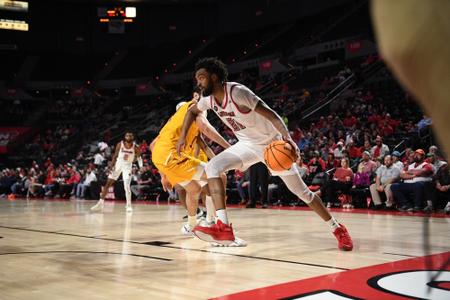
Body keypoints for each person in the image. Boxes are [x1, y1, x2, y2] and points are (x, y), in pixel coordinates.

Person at [177, 57, 353, 250]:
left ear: (214, 76)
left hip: (272, 146)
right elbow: (191, 112)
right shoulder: (208, 99)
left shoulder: (238, 93)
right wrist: (182, 137)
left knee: (302, 193)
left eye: (201, 78)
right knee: (213, 166)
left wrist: (288, 139)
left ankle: (338, 228)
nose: (198, 83)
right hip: (247, 145)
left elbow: (272, 114)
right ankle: (224, 227)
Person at [151, 89, 245, 245]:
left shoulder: (175, 123)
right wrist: (231, 148)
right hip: (173, 158)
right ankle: (219, 227)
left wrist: (164, 175)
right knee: (220, 176)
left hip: (164, 158)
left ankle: (192, 225)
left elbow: (153, 145)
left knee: (194, 189)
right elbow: (207, 128)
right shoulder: (196, 108)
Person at [91, 131, 142, 213]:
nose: (128, 137)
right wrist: (111, 166)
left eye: (130, 136)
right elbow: (115, 156)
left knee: (127, 186)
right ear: (125, 137)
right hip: (118, 165)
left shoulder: (135, 147)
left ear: (132, 137)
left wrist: (141, 166)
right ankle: (100, 203)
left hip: (127, 167)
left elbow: (139, 158)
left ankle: (128, 205)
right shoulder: (120, 144)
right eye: (127, 135)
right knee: (107, 184)